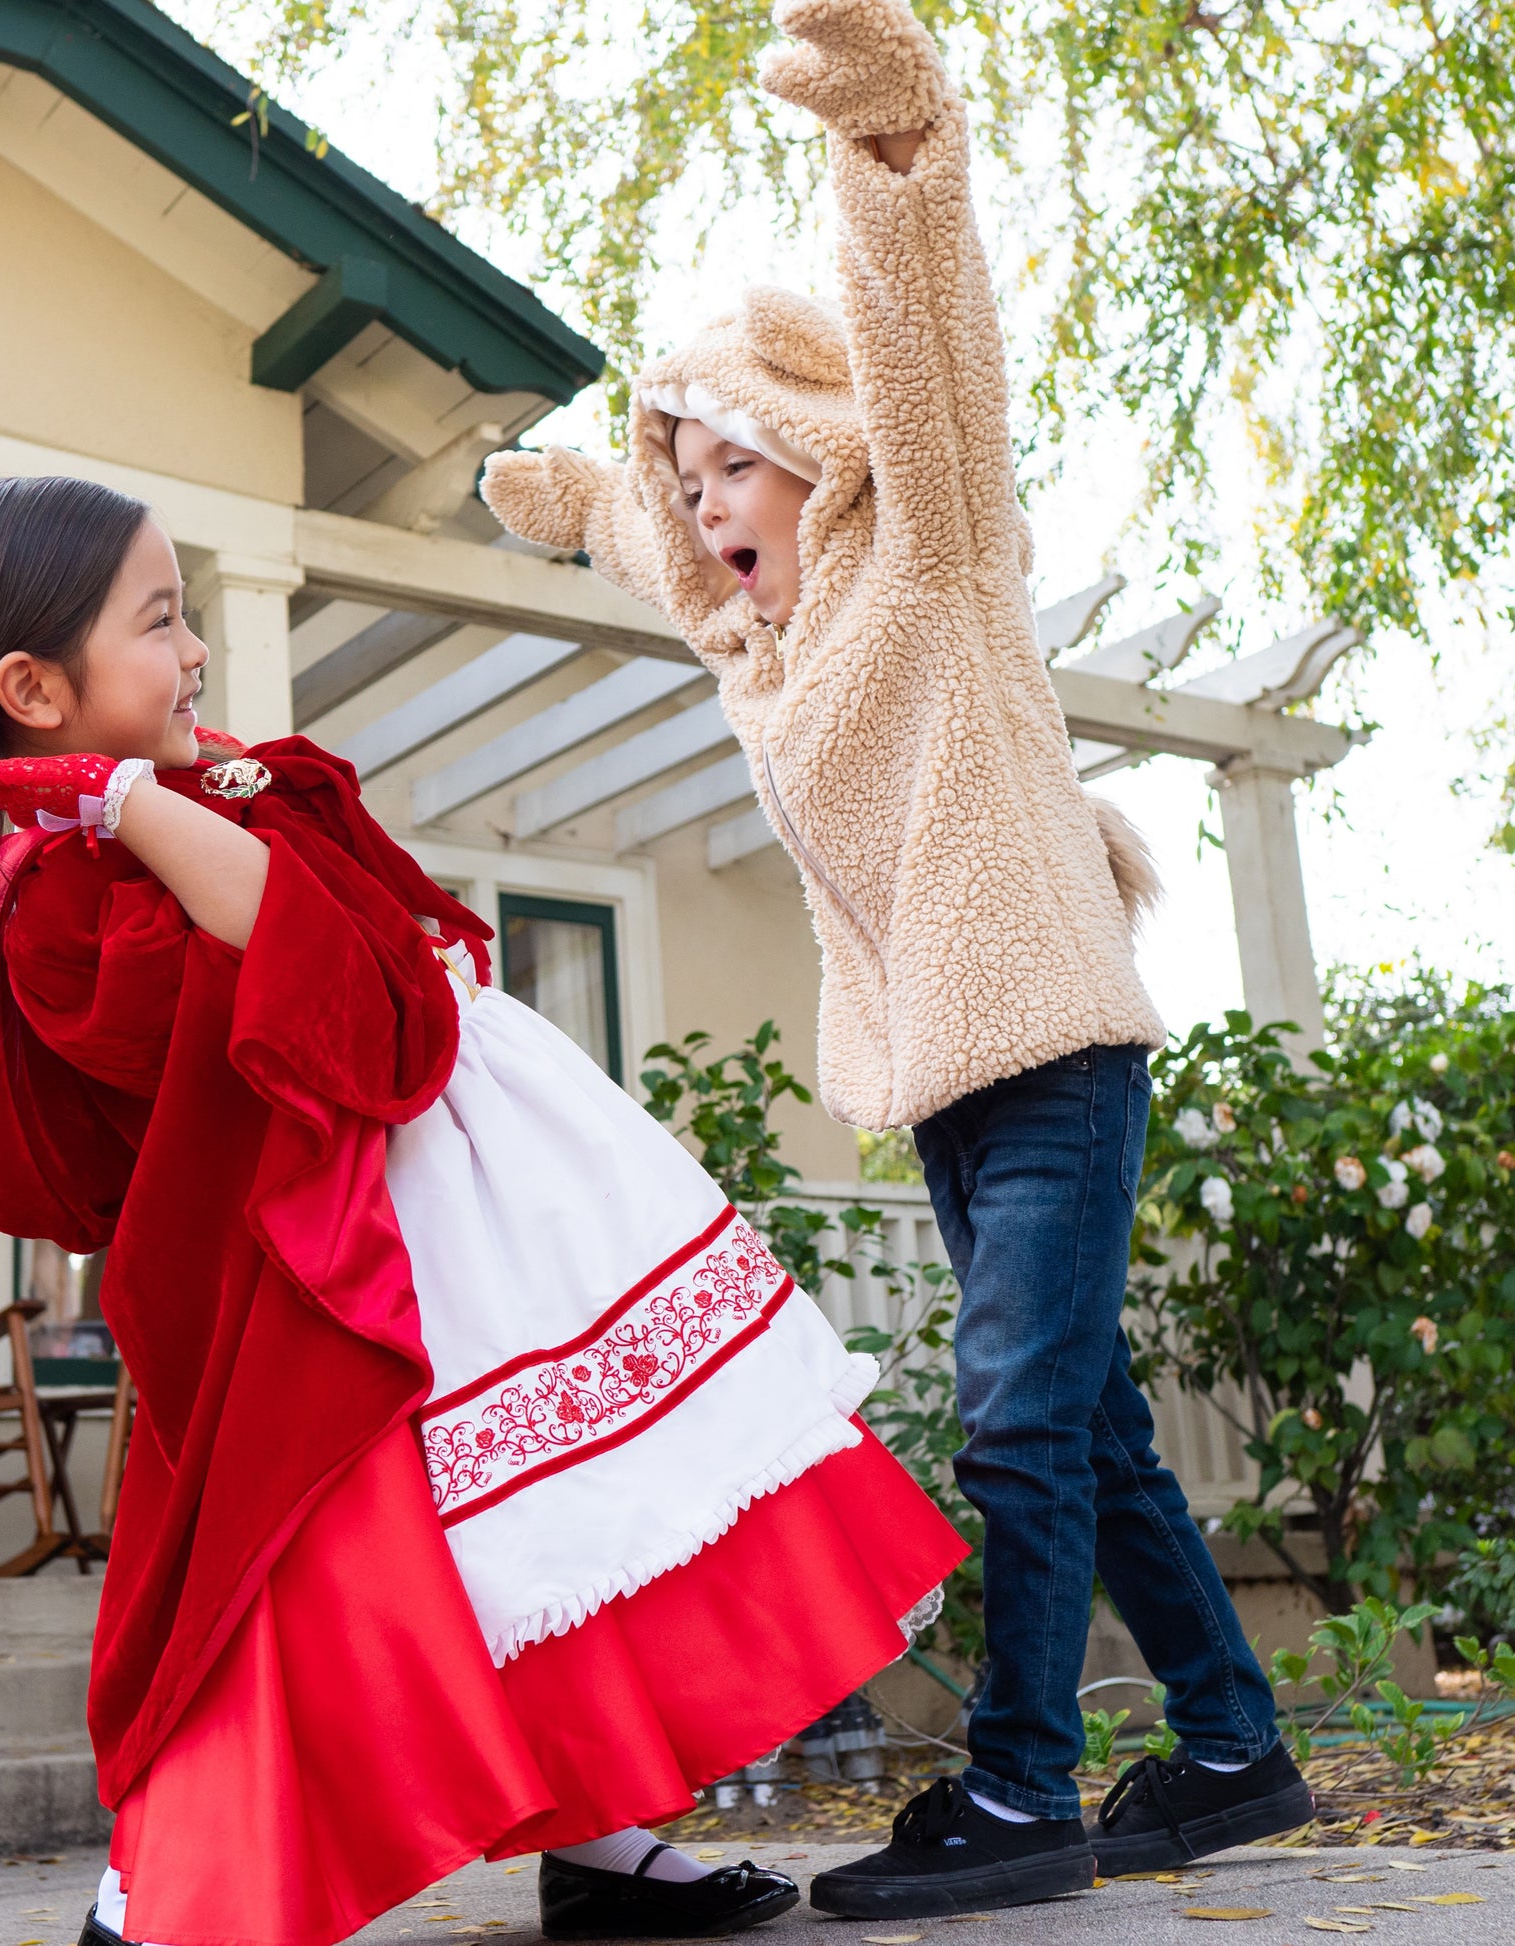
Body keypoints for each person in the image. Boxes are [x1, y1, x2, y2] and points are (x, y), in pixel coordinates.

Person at [0, 473, 967, 1946]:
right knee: (306, 1576)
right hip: (320, 1281)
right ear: (33, 688)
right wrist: (140, 801)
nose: (196, 650)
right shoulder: (60, 899)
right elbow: (344, 999)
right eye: (159, 621)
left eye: (189, 613)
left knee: (533, 1534)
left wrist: (165, 790)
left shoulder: (150, 826)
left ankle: (600, 1843)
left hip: (454, 1240)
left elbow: (360, 927)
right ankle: (155, 1897)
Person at [481, 0, 1311, 1921]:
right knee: (1082, 1414)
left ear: (809, 452)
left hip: (1049, 1036)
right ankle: (1228, 1741)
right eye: (680, 482)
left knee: (1017, 1401)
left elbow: (928, 340)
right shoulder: (757, 650)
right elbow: (661, 544)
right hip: (943, 1066)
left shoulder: (927, 544)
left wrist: (897, 140)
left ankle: (1018, 1789)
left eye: (727, 471)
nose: (702, 510)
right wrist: (586, 496)